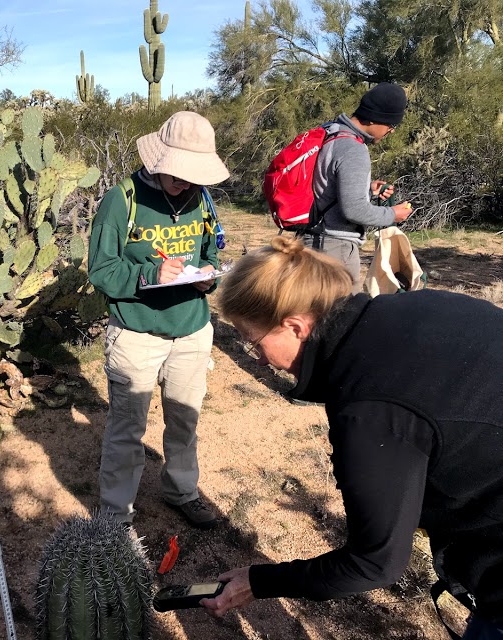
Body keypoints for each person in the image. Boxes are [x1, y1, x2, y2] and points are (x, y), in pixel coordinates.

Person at [201, 235, 503, 639]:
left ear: (294, 326)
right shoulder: (415, 306)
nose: (253, 356)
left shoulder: (368, 410)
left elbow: (376, 562)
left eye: (251, 340)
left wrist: (258, 582)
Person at [87, 111, 229, 530]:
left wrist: (208, 280)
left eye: (191, 173)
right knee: (127, 428)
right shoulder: (122, 199)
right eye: (177, 173)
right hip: (136, 334)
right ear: (158, 161)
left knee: (185, 419)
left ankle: (181, 490)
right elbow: (100, 269)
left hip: (192, 330)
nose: (183, 182)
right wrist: (148, 275)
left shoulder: (202, 198)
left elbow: (211, 254)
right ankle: (115, 514)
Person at [304, 82, 415, 292]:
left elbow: (325, 184)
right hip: (334, 249)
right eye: (391, 125)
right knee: (341, 317)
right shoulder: (353, 148)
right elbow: (354, 210)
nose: (391, 131)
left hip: (311, 239)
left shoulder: (331, 131)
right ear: (375, 118)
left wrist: (367, 190)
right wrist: (392, 214)